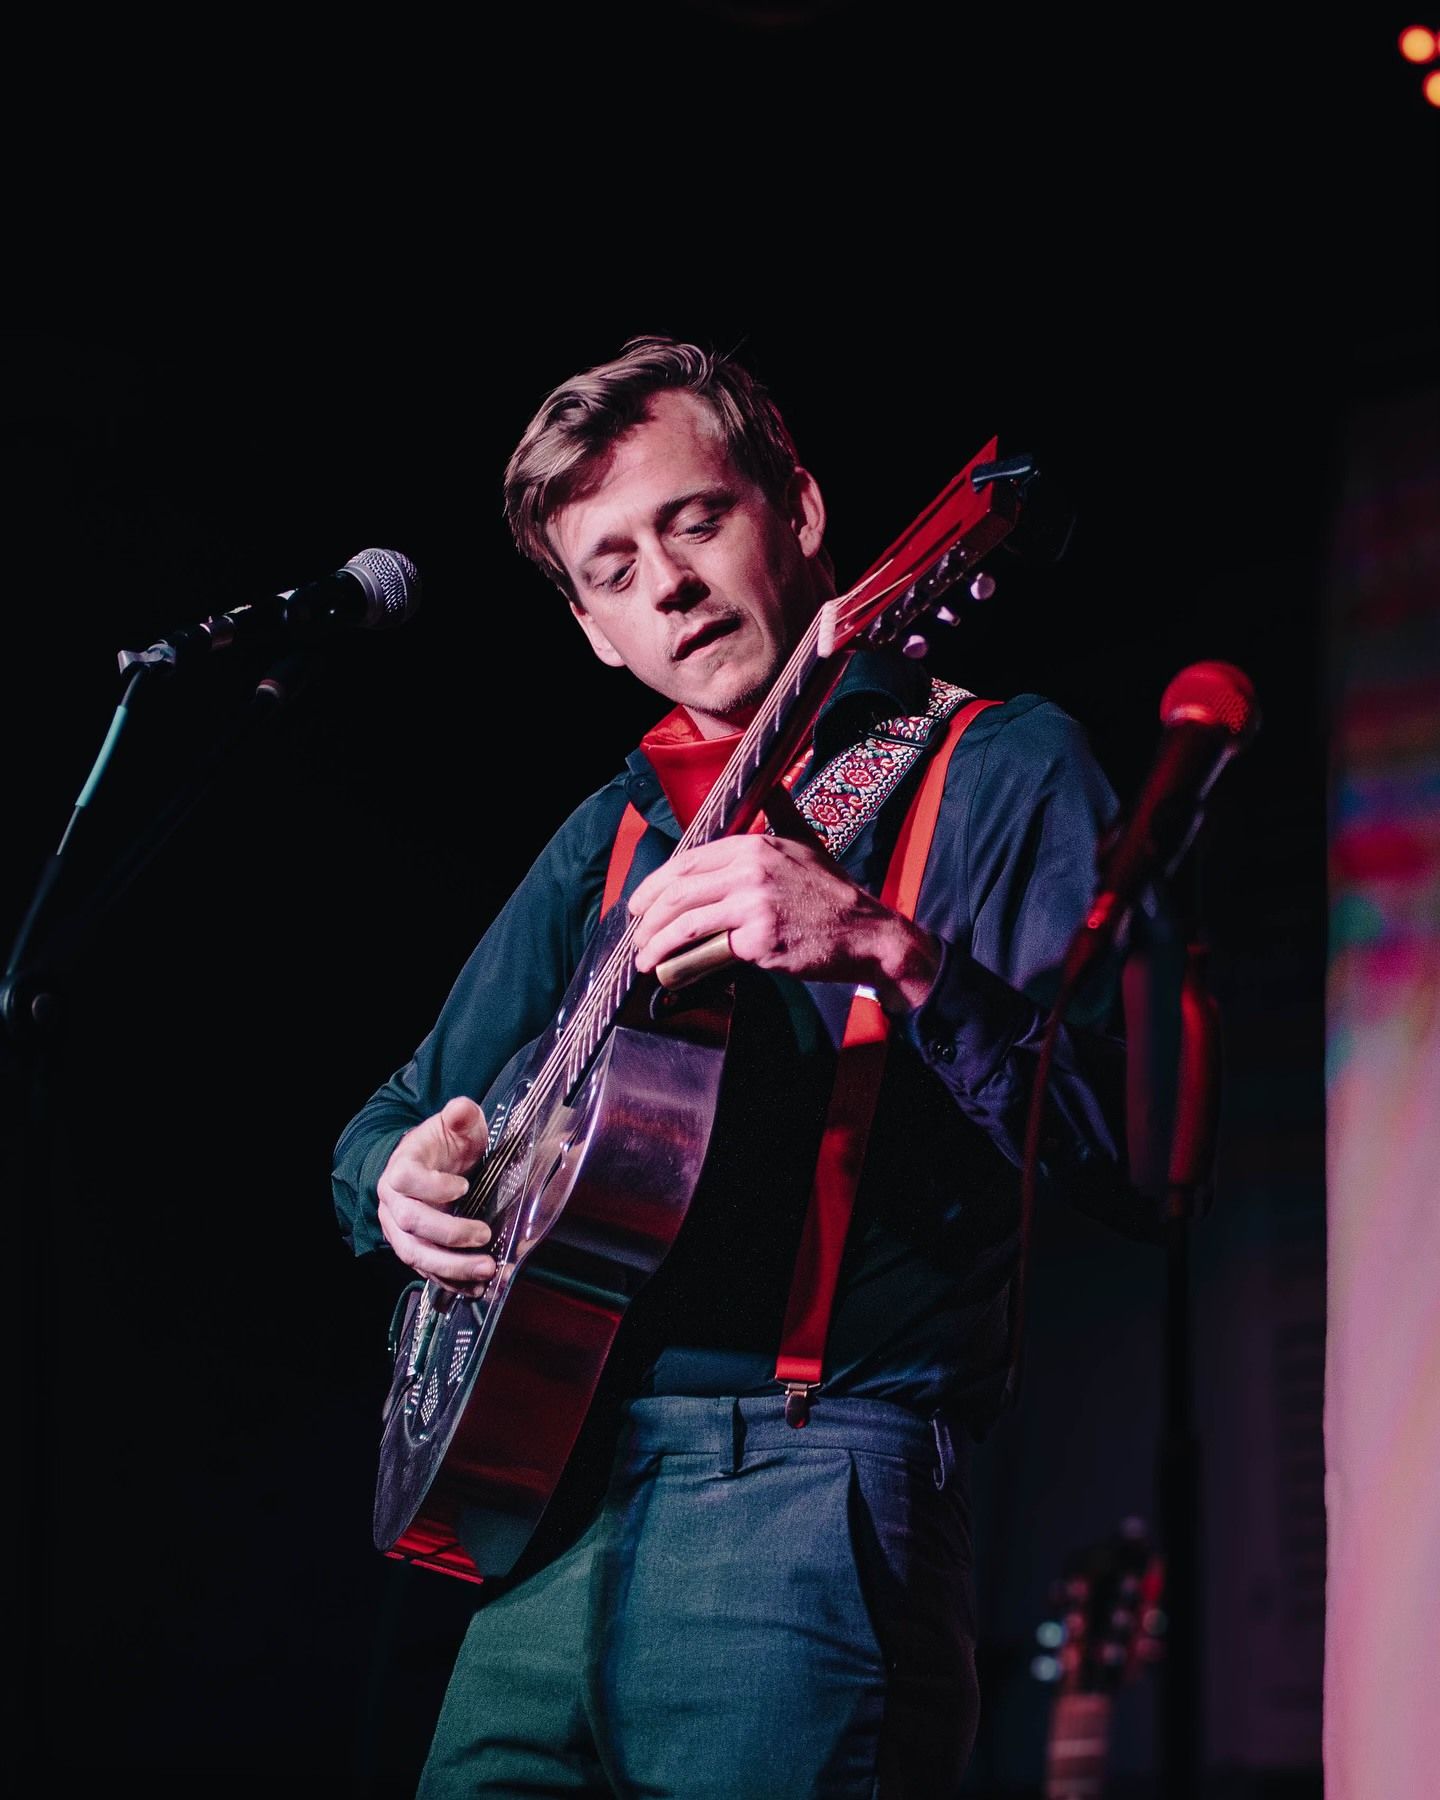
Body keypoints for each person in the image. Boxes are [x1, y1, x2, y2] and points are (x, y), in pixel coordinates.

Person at [332, 335, 1153, 1798]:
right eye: (614, 567)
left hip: (807, 1487)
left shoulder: (1001, 764)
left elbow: (1133, 1140)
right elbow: (393, 1115)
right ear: (594, 629)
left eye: (696, 520)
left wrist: (887, 949)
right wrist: (396, 1180)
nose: (669, 583)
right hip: (547, 1509)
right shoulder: (613, 833)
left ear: (802, 513)